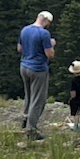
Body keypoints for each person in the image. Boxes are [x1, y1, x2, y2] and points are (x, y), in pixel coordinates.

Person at [18, 11, 54, 140]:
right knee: (38, 99)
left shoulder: (25, 30)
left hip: (24, 66)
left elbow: (20, 49)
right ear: (45, 20)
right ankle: (31, 129)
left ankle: (25, 119)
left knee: (28, 95)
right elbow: (49, 54)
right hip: (38, 68)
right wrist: (52, 45)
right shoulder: (44, 34)